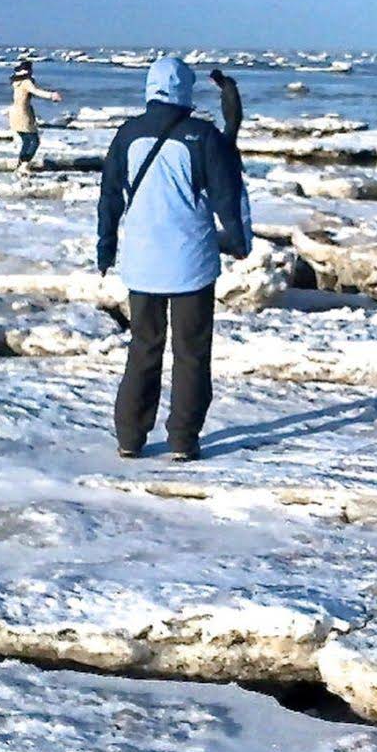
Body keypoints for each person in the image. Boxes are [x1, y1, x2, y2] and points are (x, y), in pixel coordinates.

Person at [97, 56, 252, 462]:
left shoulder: (128, 134)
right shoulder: (202, 137)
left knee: (144, 346)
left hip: (142, 263)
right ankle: (183, 438)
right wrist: (238, 242)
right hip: (192, 265)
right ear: (186, 90)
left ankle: (130, 436)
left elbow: (110, 197)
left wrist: (105, 247)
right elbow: (226, 197)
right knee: (191, 352)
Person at [9, 58, 63, 175]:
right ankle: (24, 164)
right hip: (23, 114)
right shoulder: (26, 82)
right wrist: (52, 95)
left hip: (14, 112)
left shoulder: (16, 81)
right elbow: (36, 91)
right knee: (34, 140)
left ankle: (21, 165)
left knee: (26, 141)